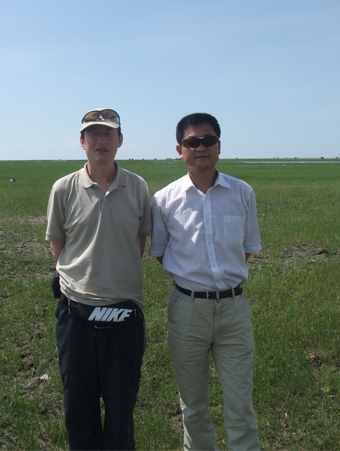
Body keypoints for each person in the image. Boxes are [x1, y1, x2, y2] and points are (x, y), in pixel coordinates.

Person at [150, 113, 262, 451]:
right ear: (179, 150)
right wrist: (194, 280)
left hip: (234, 310)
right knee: (193, 407)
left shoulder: (242, 193)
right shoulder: (164, 200)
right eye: (192, 142)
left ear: (219, 146)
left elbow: (246, 249)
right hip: (187, 311)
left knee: (241, 405)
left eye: (208, 140)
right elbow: (161, 252)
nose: (201, 147)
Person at [46, 108, 151, 450]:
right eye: (93, 133)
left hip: (125, 314)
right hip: (74, 315)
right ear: (82, 142)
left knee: (121, 411)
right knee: (79, 409)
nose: (101, 140)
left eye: (108, 133)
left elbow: (139, 242)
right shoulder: (63, 189)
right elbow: (57, 246)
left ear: (120, 140)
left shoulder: (138, 187)